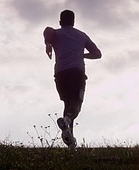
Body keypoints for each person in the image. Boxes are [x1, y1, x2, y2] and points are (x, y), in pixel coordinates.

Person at [43, 10, 102, 149]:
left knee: (67, 104)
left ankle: (70, 144)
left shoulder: (55, 34)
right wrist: (83, 55)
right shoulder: (81, 35)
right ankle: (67, 121)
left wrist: (48, 44)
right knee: (76, 104)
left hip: (60, 74)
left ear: (60, 22)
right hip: (77, 73)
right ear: (74, 22)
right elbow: (98, 54)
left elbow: (47, 30)